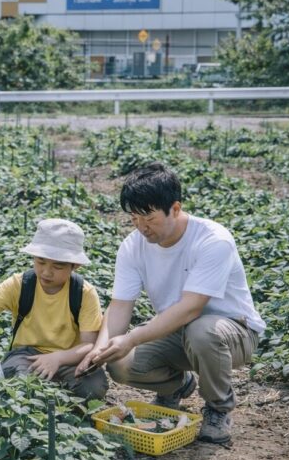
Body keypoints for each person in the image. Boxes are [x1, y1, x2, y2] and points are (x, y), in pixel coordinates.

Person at [93, 162, 264, 444]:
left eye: (148, 218)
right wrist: (102, 349)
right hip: (177, 333)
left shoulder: (212, 240)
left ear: (175, 208)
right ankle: (176, 385)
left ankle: (218, 409)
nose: (141, 227)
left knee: (201, 331)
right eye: (134, 218)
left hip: (233, 332)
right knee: (119, 361)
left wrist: (132, 337)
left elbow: (191, 308)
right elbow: (120, 305)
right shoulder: (133, 246)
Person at [0, 218, 108, 400]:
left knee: (93, 388)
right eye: (41, 262)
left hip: (69, 358)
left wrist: (58, 359)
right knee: (22, 383)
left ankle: (53, 393)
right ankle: (51, 396)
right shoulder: (21, 284)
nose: (47, 272)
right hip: (27, 355)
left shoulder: (83, 293)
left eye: (57, 266)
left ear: (75, 266)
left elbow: (88, 345)